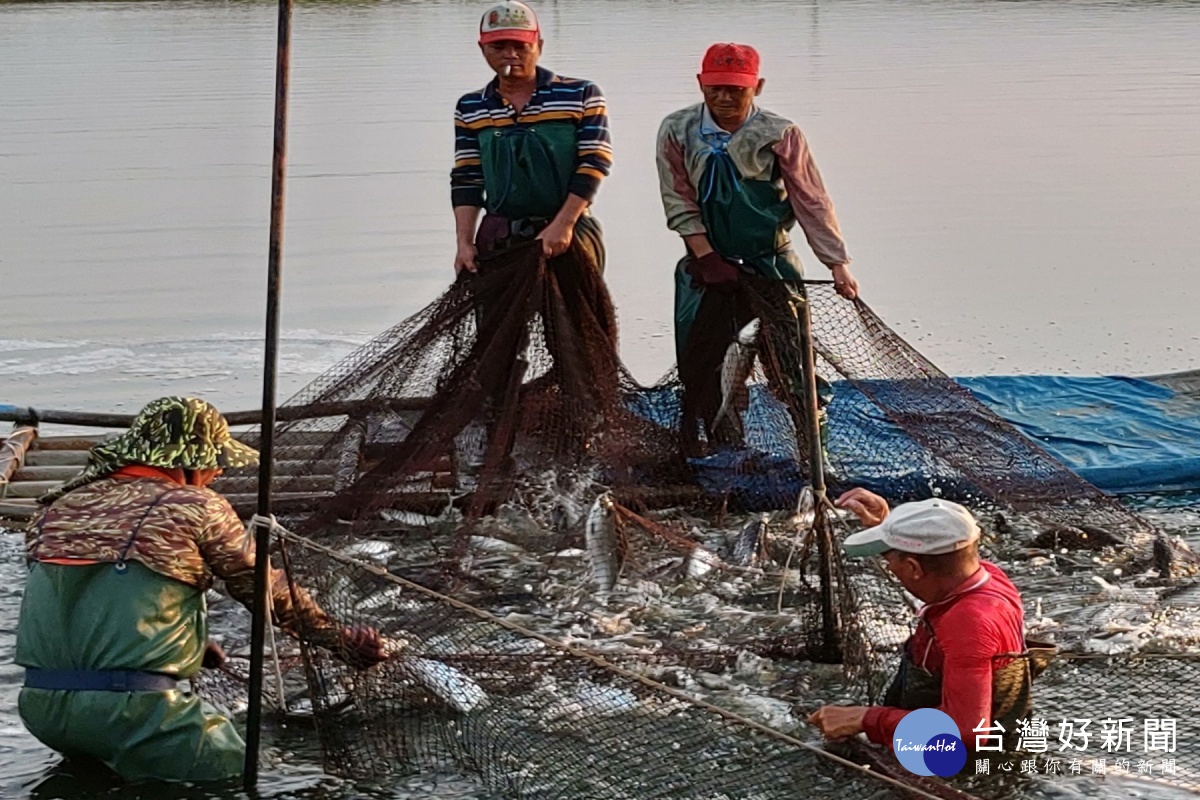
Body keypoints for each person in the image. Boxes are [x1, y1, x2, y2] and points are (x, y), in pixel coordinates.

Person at [15, 397, 386, 783]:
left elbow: (77, 603)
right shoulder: (194, 505)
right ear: (187, 461)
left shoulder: (55, 509)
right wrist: (339, 640)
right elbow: (264, 591)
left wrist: (192, 644)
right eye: (214, 462)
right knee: (246, 780)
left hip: (43, 711)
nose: (218, 472)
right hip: (137, 713)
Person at [656, 43, 859, 453]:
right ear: (701, 84)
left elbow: (811, 201)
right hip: (707, 267)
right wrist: (706, 255)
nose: (725, 98)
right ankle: (721, 447)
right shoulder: (677, 130)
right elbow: (677, 198)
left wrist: (836, 263)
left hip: (770, 264)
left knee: (794, 365)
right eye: (716, 89)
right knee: (702, 367)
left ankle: (813, 452)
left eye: (737, 89)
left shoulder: (780, 134)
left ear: (757, 87)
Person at [807, 488, 1039, 753]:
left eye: (891, 561)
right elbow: (939, 563)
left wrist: (865, 718)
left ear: (914, 568)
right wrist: (888, 526)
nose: (890, 569)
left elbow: (967, 732)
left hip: (962, 767)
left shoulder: (968, 622)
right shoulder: (986, 575)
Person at [451, 0, 613, 273]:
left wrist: (562, 226)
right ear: (482, 49)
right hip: (500, 235)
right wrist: (464, 243)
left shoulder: (581, 94)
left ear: (539, 45)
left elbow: (595, 162)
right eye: (498, 47)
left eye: (520, 45)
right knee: (499, 317)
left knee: (573, 315)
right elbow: (468, 177)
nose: (510, 55)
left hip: (570, 232)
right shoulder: (471, 106)